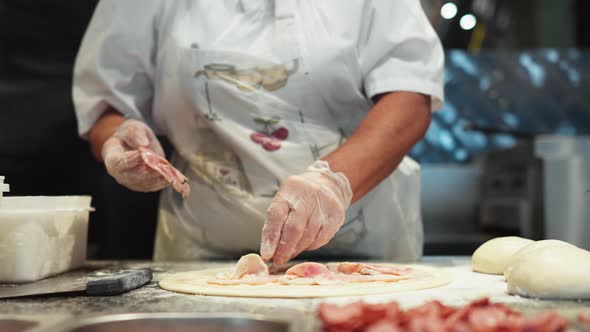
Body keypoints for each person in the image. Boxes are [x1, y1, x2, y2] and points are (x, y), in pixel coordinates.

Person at [73, 0, 444, 265]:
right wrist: (119, 137)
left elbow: (410, 96)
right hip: (201, 257)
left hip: (364, 246)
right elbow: (106, 103)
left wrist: (331, 182)